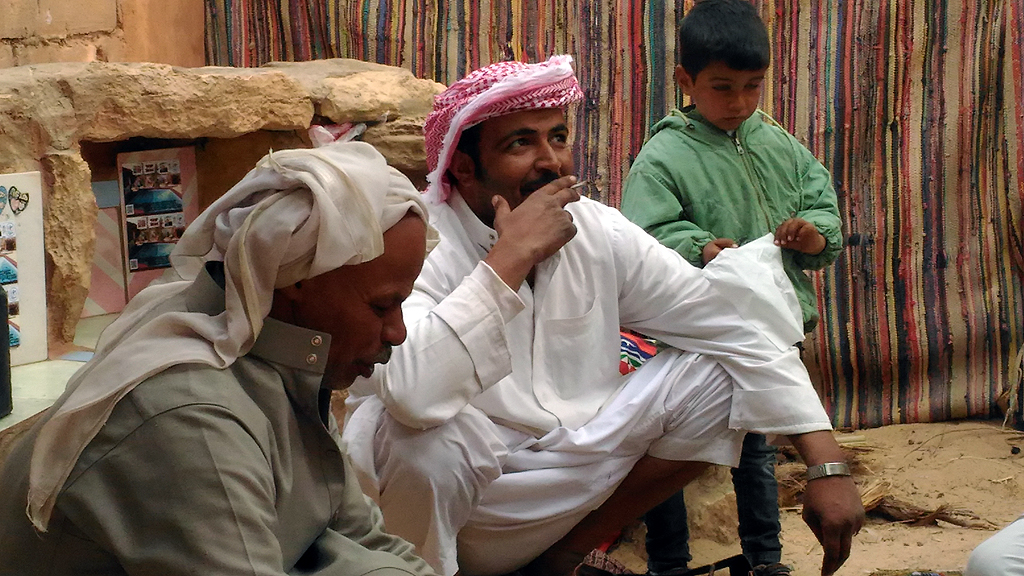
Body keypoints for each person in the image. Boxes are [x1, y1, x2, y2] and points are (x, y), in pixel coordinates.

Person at [342, 55, 863, 576]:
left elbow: (732, 322)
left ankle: (564, 556)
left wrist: (826, 463)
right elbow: (411, 394)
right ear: (463, 167)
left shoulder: (596, 230)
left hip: (575, 477)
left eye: (558, 138)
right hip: (461, 498)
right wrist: (510, 258)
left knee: (718, 377)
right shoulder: (422, 238)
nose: (551, 162)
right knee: (417, 440)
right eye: (520, 144)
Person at [0, 141, 442, 576]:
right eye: (382, 306)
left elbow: (359, 535)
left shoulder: (288, 364)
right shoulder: (191, 417)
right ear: (296, 280)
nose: (398, 333)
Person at [619, 1, 845, 575]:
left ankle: (764, 560)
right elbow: (643, 235)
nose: (740, 102)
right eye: (722, 88)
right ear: (686, 81)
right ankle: (668, 562)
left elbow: (823, 207)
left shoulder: (779, 143)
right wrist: (700, 246)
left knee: (756, 449)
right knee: (669, 448)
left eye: (752, 86)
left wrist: (813, 235)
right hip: (691, 335)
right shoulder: (663, 156)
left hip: (771, 326)